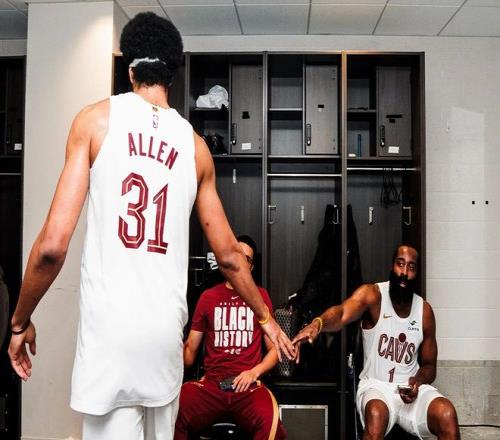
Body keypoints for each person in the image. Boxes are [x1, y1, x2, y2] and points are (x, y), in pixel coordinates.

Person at [8, 12, 294, 440]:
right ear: (171, 75)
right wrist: (265, 318)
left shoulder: (94, 121)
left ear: (130, 70)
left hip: (111, 338)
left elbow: (52, 246)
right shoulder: (196, 148)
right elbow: (231, 257)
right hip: (164, 338)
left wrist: (19, 321)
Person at [293, 245, 460, 440]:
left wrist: (418, 381)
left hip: (410, 390)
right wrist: (318, 324)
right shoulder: (373, 295)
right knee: (376, 414)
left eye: (411, 267)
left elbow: (430, 365)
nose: (404, 272)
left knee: (447, 414)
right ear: (392, 266)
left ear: (417, 273)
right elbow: (342, 313)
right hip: (376, 388)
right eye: (400, 264)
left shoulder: (424, 312)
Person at [175, 235, 286, 440]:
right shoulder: (208, 297)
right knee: (174, 408)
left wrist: (253, 373)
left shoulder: (260, 297)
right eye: (238, 256)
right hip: (212, 386)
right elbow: (189, 352)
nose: (241, 263)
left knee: (270, 420)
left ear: (251, 267)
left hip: (248, 387)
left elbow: (274, 351)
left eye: (247, 259)